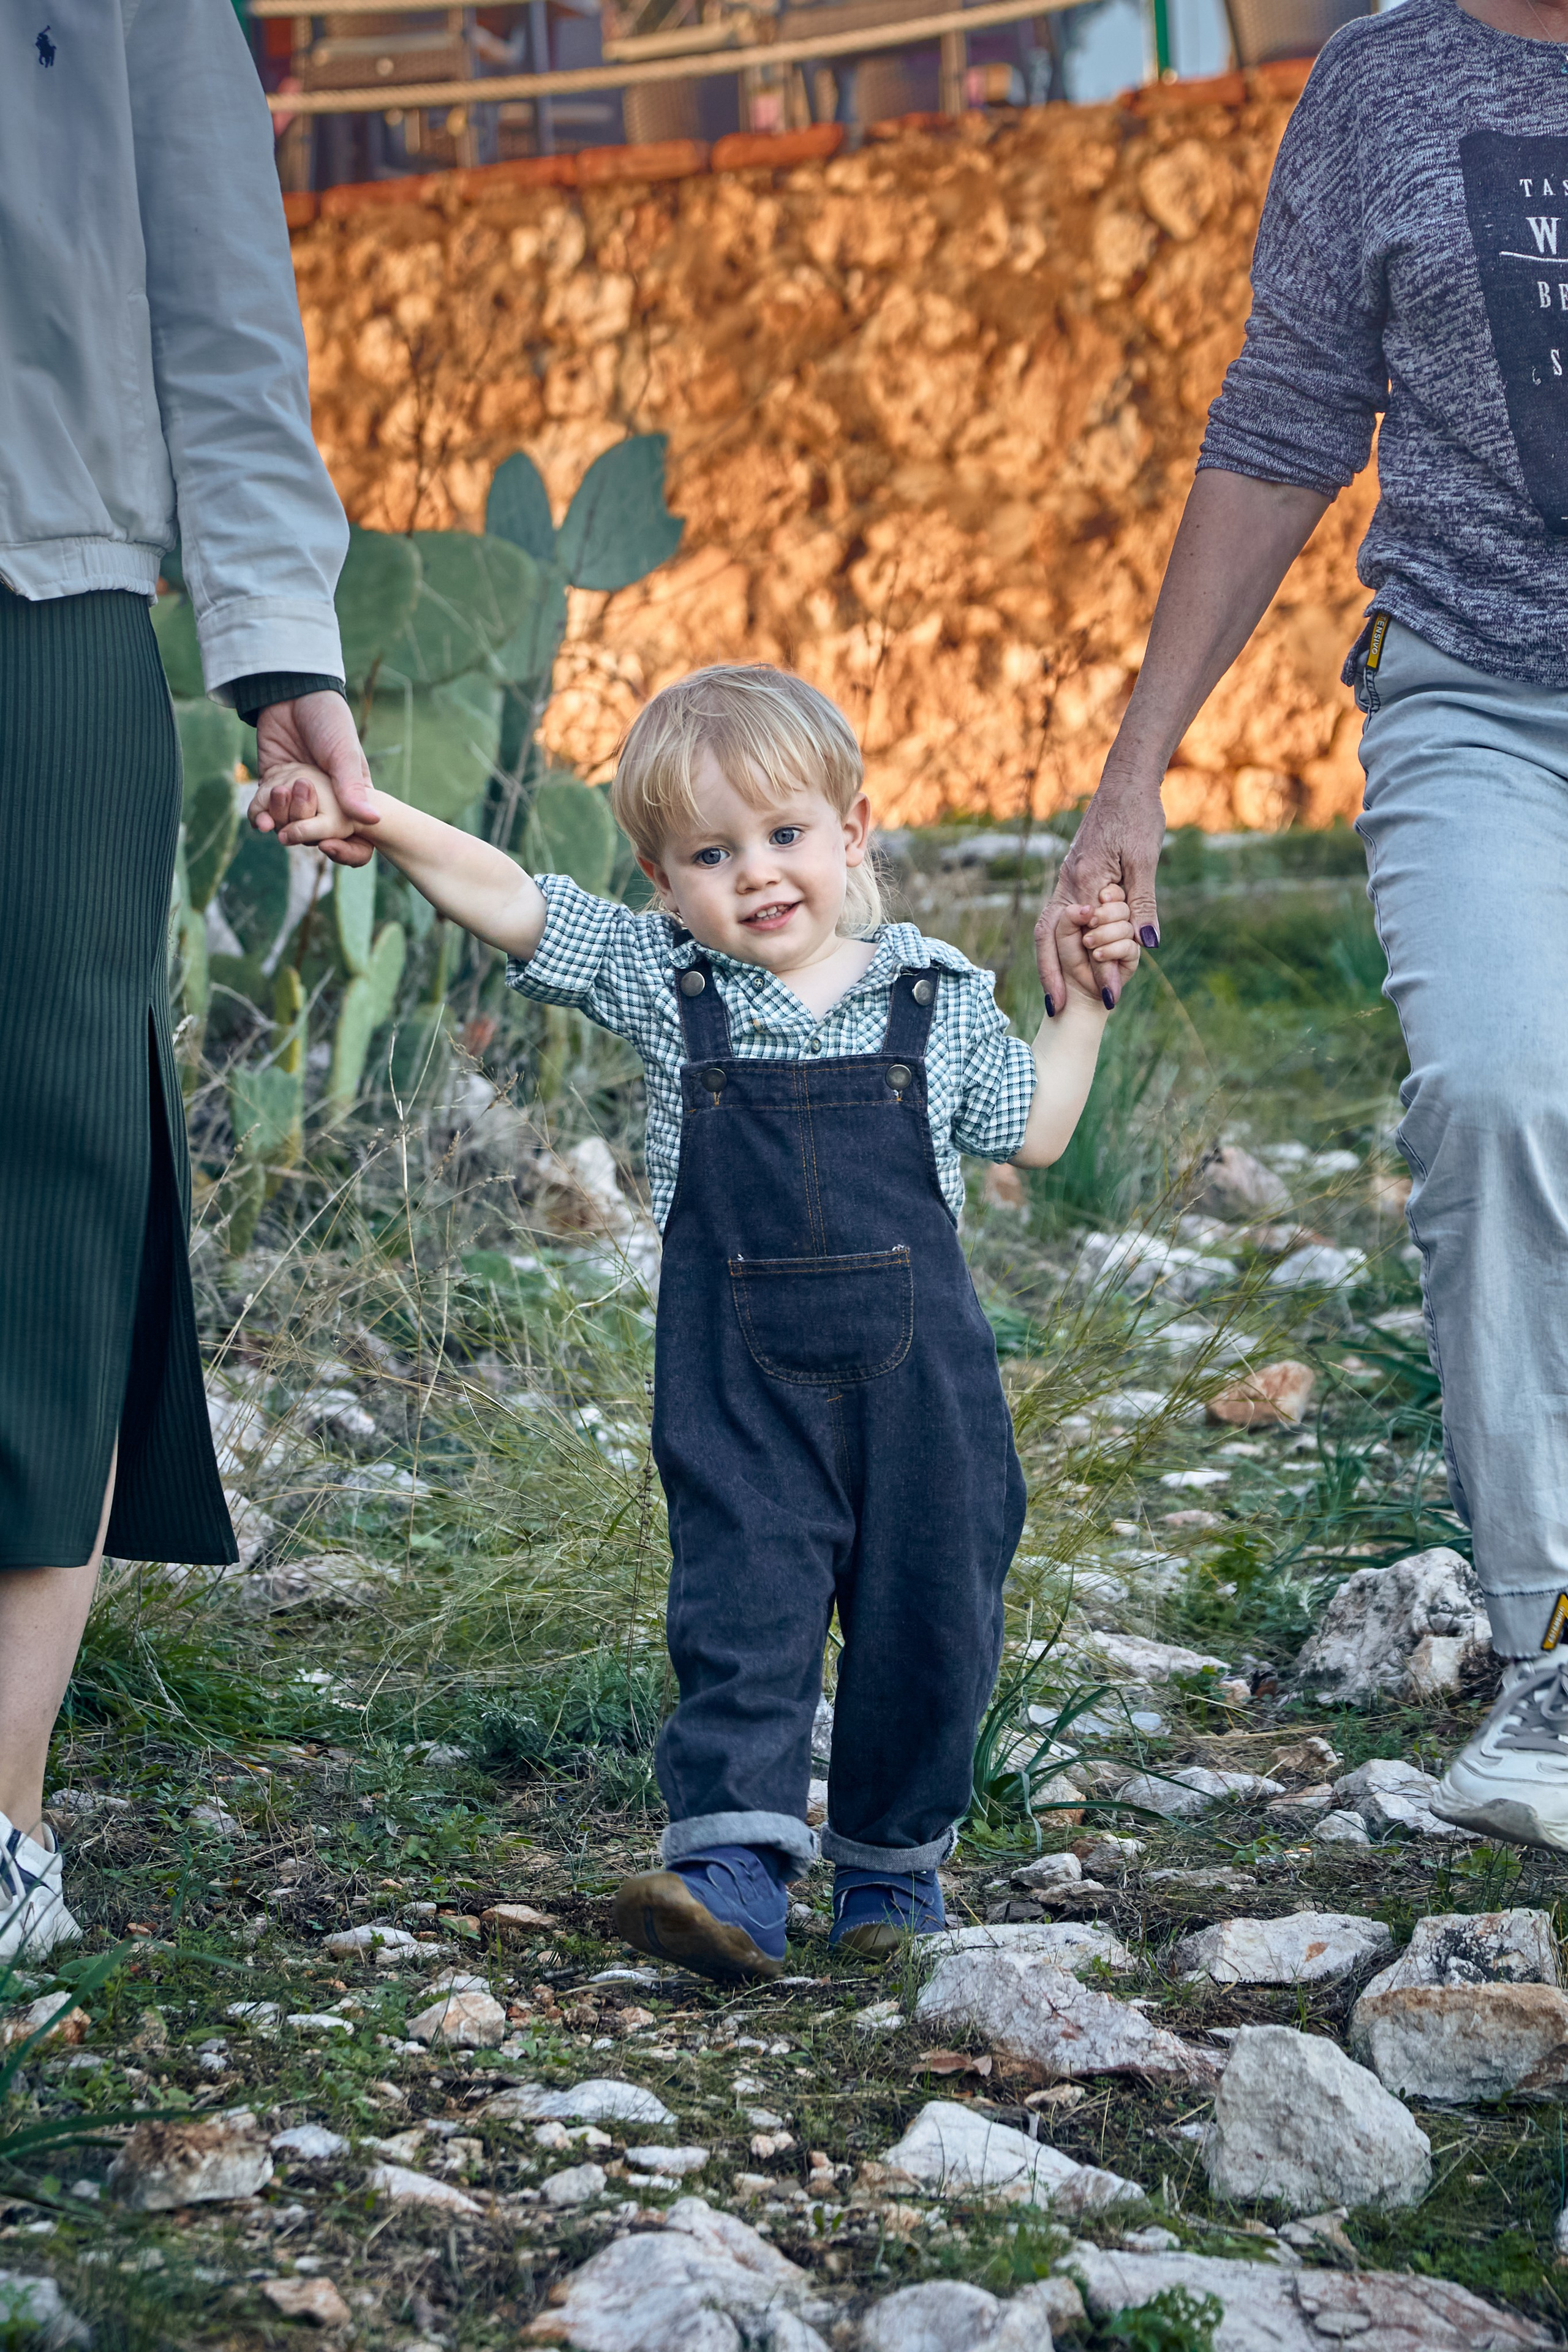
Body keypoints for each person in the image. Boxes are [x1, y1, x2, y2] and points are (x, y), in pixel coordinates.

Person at [250, 663, 1139, 1974]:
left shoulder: (932, 995)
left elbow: (1037, 1128)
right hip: (736, 1378)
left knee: (933, 1611)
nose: (758, 875)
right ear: (663, 884)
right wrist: (378, 820)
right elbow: (512, 899)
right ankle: (728, 1870)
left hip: (924, 1389)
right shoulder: (665, 981)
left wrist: (1086, 1004)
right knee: (742, 1604)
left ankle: (890, 1878)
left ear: (853, 833)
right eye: (710, 855)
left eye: (785, 837)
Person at [1032, 0, 1568, 1845]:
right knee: (1501, 1097)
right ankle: (1553, 1669)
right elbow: (1283, 417)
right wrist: (1133, 774)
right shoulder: (1390, 77)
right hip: (1484, 696)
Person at [0, 0, 379, 1959]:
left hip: (39, 596)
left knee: (50, 1175)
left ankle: (0, 1824)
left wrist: (275, 644)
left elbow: (223, 303)